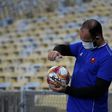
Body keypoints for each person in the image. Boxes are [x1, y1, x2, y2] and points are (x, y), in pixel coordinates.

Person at [48, 19, 112, 112]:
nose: (84, 43)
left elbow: (98, 90)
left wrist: (67, 90)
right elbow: (63, 48)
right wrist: (56, 51)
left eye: (86, 41)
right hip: (72, 108)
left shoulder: (107, 57)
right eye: (82, 40)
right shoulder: (82, 46)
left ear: (97, 37)